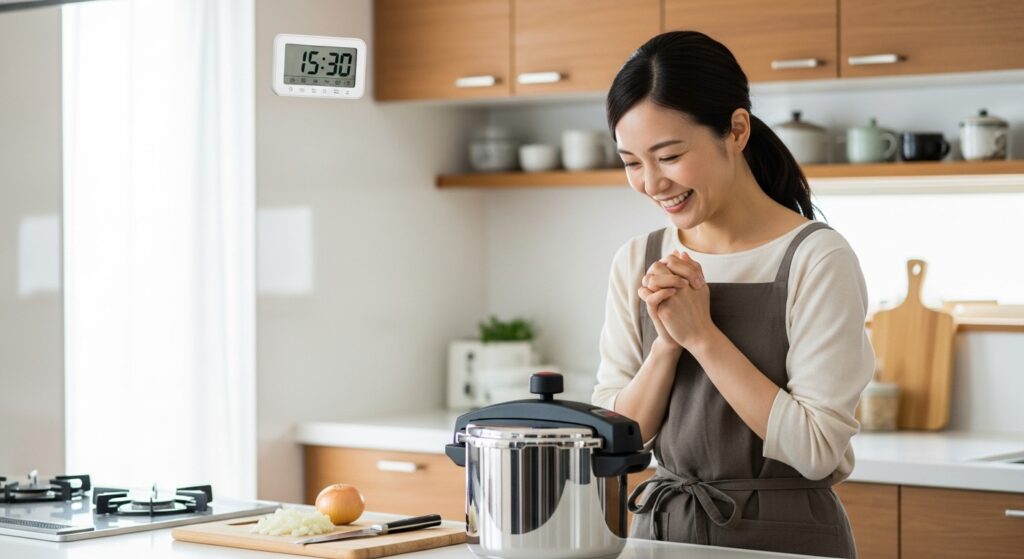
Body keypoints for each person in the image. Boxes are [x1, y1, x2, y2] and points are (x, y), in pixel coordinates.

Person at [591, 31, 874, 558]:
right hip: (662, 534)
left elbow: (815, 449)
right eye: (631, 162)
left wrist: (702, 336)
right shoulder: (638, 259)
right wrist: (667, 345)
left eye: (669, 156)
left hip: (785, 541)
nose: (652, 183)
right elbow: (616, 438)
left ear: (737, 130)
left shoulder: (816, 257)